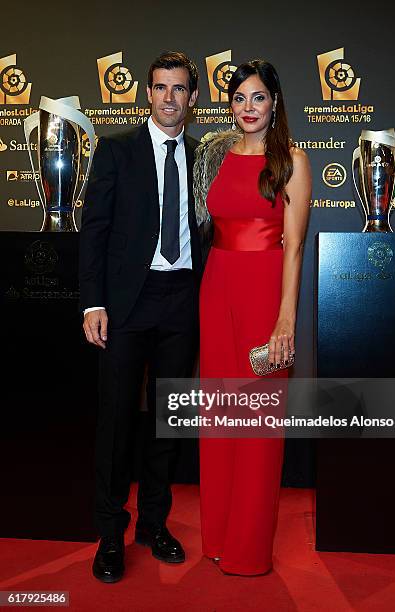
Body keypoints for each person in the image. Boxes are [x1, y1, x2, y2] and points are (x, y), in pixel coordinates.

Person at [79, 51, 202, 583]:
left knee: (167, 423)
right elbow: (95, 230)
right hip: (127, 303)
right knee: (116, 424)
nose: (169, 98)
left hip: (183, 300)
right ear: (147, 93)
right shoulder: (116, 151)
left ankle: (154, 524)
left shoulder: (205, 157)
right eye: (160, 87)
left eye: (179, 89)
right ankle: (110, 535)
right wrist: (93, 302)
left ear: (192, 98)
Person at [194, 59, 311, 576]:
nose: (248, 107)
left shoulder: (292, 160)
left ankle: (247, 549)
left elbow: (295, 248)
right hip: (216, 290)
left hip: (265, 291)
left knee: (259, 420)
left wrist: (286, 320)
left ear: (275, 102)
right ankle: (217, 536)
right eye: (240, 97)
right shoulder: (214, 155)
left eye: (258, 97)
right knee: (219, 418)